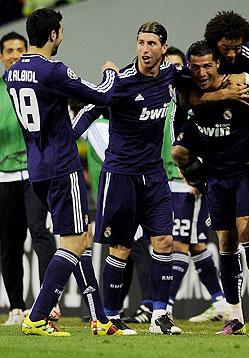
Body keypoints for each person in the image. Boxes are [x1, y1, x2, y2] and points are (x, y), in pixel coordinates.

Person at [5, 8, 123, 336]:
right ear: (54, 34)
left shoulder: (12, 72)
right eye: (61, 31)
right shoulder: (52, 70)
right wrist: (111, 73)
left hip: (37, 166)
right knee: (74, 241)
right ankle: (38, 316)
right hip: (63, 165)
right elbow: (102, 95)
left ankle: (99, 317)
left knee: (75, 239)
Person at [171, 40, 249, 335]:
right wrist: (196, 178)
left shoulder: (241, 91)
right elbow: (181, 119)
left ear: (217, 65)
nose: (201, 72)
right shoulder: (189, 91)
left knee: (245, 233)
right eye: (195, 66)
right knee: (225, 243)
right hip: (215, 176)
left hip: (242, 173)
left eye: (207, 66)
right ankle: (235, 316)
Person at [73, 21, 182, 335]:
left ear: (163, 48)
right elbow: (89, 109)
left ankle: (160, 317)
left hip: (155, 175)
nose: (145, 49)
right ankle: (109, 316)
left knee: (163, 241)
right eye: (140, 42)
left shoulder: (171, 76)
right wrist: (67, 143)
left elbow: (199, 73)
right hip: (120, 174)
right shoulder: (120, 82)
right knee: (119, 247)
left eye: (151, 44)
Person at [189, 10, 249, 226]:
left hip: (246, 112)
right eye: (226, 48)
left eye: (236, 48)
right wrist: (224, 94)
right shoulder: (201, 55)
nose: (231, 54)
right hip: (210, 115)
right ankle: (207, 192)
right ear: (214, 43)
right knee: (180, 151)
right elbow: (190, 97)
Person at [163, 46, 229, 322]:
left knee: (180, 243)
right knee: (194, 244)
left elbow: (200, 135)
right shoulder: (168, 99)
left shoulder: (194, 99)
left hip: (185, 181)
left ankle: (164, 306)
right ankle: (220, 301)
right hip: (168, 178)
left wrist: (192, 171)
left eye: (178, 66)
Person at [0, 31, 57, 326]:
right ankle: (16, 308)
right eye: (8, 50)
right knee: (10, 243)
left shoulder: (37, 83)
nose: (13, 55)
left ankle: (48, 302)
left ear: (26, 52)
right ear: (1, 56)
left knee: (40, 233)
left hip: (35, 173)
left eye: (19, 49)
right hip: (4, 177)